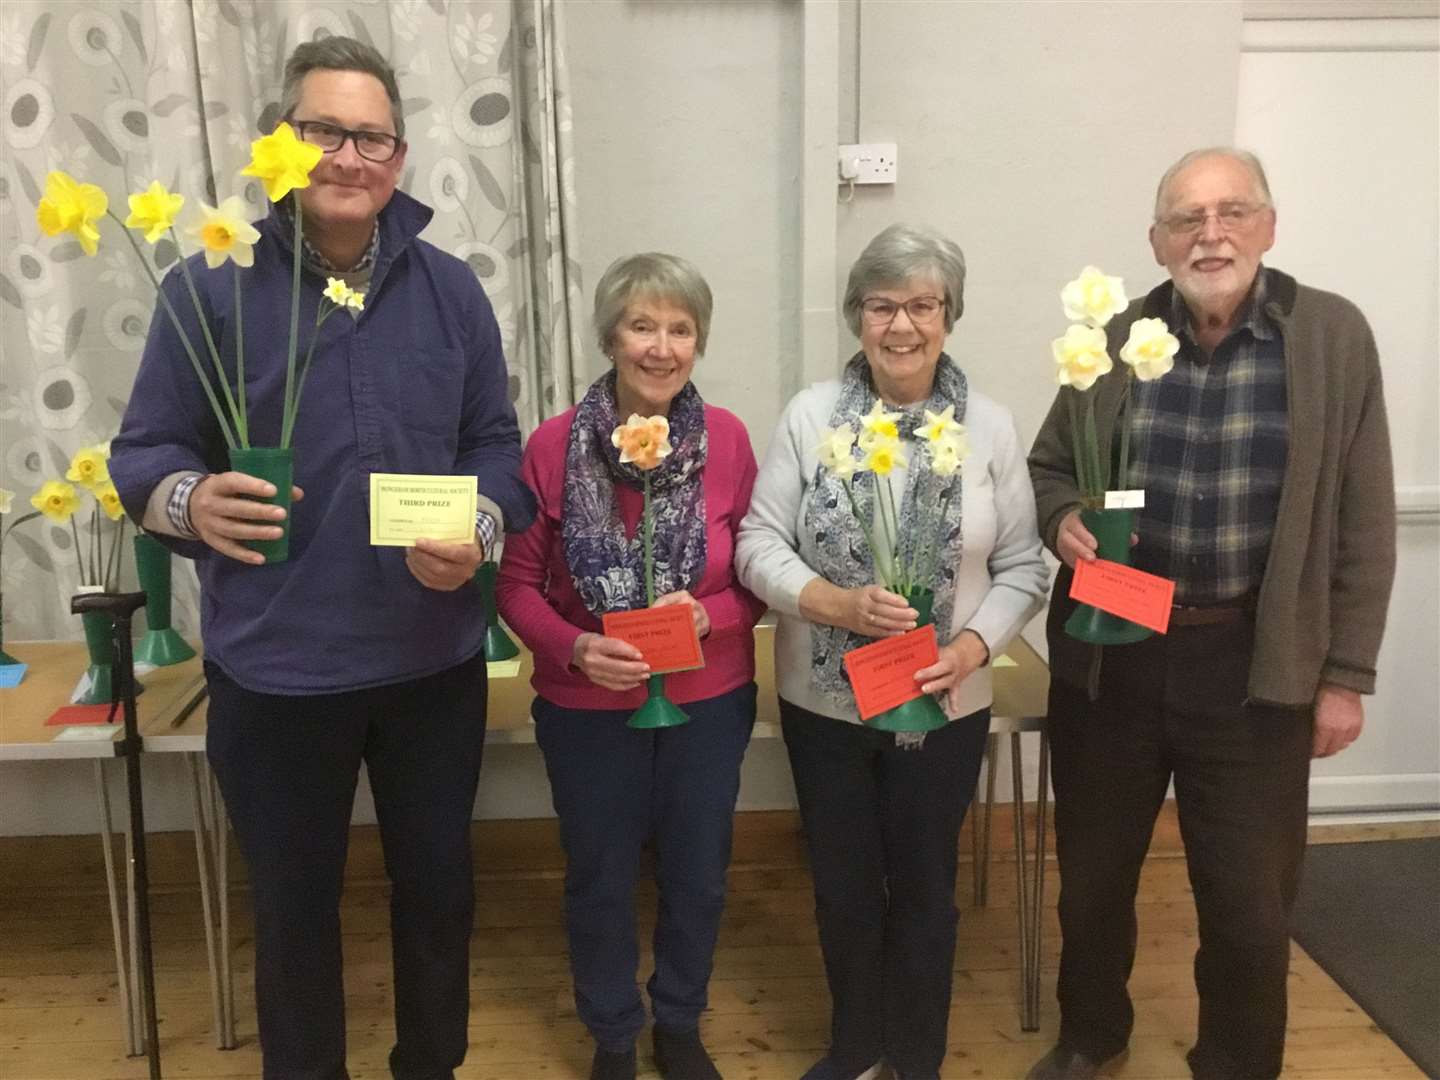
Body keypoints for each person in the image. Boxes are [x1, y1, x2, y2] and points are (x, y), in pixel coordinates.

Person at [109, 37, 534, 1080]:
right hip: (277, 670)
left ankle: (428, 1065)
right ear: (281, 148)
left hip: (432, 664)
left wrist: (480, 532)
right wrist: (189, 499)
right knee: (294, 916)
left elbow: (498, 452)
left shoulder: (451, 292)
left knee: (439, 898)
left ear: (399, 155)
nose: (350, 156)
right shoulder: (207, 289)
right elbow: (143, 455)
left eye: (372, 136)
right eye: (324, 132)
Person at [1025, 148, 1396, 1080]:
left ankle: (1235, 1062)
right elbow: (1050, 469)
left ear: (1269, 225)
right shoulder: (1110, 336)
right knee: (1094, 880)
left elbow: (1364, 515)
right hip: (1114, 657)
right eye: (1187, 219)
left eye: (1231, 211)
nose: (1210, 233)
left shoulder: (1330, 337)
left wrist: (1345, 677)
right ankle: (1091, 1035)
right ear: (1157, 242)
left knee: (1249, 901)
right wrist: (1066, 518)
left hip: (1253, 666)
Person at [735, 224, 1048, 1080]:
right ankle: (856, 1046)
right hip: (824, 701)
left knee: (922, 891)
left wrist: (977, 646)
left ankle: (916, 1056)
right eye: (882, 305)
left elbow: (1026, 564)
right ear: (856, 316)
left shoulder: (988, 426)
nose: (902, 324)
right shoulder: (810, 418)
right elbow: (756, 544)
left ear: (949, 315)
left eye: (922, 304)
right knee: (842, 888)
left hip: (945, 703)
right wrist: (832, 602)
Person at [496, 253, 765, 1080]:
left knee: (699, 873)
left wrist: (709, 617)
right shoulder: (549, 447)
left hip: (708, 699)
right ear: (611, 336)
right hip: (586, 705)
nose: (661, 346)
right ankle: (613, 1031)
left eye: (680, 329)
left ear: (699, 343)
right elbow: (512, 584)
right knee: (601, 877)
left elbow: (757, 576)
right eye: (643, 325)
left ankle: (679, 1021)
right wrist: (574, 646)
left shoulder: (728, 442)